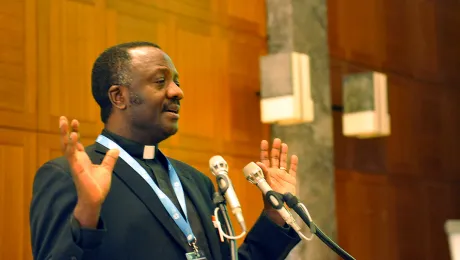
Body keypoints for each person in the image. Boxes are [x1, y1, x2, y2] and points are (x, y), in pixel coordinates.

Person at [29, 41, 301, 260]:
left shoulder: (196, 182)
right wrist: (87, 213)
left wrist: (275, 217)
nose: (177, 92)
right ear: (118, 97)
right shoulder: (67, 176)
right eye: (160, 81)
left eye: (177, 82)